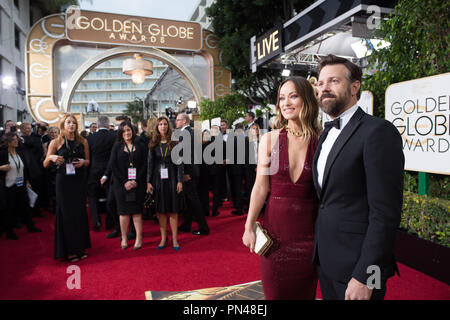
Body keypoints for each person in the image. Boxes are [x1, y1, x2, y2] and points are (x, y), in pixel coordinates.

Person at [312, 54, 404, 300]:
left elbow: (385, 213)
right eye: (321, 83)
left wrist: (367, 275)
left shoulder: (378, 132)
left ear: (355, 87)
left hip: (359, 268)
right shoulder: (325, 134)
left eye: (334, 81)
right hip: (327, 260)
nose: (325, 89)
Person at [242, 76, 321, 300]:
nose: (285, 103)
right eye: (282, 98)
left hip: (310, 237)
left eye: (293, 96)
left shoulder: (322, 140)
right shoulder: (270, 139)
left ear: (307, 100)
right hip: (275, 237)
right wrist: (249, 226)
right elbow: (260, 187)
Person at [43, 114, 91, 262]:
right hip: (63, 182)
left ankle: (80, 248)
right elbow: (45, 164)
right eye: (68, 122)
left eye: (74, 123)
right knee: (66, 215)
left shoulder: (83, 141)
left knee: (79, 213)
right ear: (63, 125)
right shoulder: (55, 142)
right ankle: (69, 250)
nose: (71, 125)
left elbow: (89, 161)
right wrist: (51, 158)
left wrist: (83, 162)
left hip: (78, 180)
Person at [147, 116, 183, 250]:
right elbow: (149, 164)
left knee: (173, 210)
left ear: (168, 126)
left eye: (165, 124)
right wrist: (148, 182)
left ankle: (174, 239)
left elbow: (179, 163)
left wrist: (180, 180)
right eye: (160, 124)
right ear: (157, 127)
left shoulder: (174, 142)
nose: (163, 126)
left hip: (172, 178)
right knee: (160, 211)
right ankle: (163, 238)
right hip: (157, 180)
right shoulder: (153, 143)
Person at [110, 121, 147, 250]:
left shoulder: (141, 144)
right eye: (124, 131)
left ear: (133, 131)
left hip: (138, 183)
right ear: (120, 132)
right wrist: (125, 181)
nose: (127, 133)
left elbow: (145, 164)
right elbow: (113, 166)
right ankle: (124, 237)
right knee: (123, 213)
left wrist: (136, 180)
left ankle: (138, 237)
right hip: (121, 185)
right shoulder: (117, 146)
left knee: (137, 212)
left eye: (129, 130)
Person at [0, 132, 42, 240]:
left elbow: (23, 168)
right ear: (8, 142)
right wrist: (1, 168)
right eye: (13, 139)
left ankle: (30, 226)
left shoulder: (19, 153)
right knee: (10, 209)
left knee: (25, 205)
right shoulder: (3, 154)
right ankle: (9, 231)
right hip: (8, 185)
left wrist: (27, 180)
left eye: (16, 139)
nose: (16, 141)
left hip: (20, 183)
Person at [176, 113, 210, 236]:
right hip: (195, 170)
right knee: (190, 200)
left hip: (189, 172)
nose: (176, 122)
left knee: (193, 200)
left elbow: (185, 155)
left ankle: (203, 227)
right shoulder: (193, 133)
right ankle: (186, 224)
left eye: (178, 120)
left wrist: (185, 173)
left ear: (184, 121)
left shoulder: (184, 134)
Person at [87, 116, 116, 231]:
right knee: (110, 197)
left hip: (93, 170)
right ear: (108, 124)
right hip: (110, 171)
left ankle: (96, 221)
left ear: (98, 125)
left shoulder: (90, 138)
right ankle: (109, 222)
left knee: (93, 197)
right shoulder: (113, 137)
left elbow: (88, 156)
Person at [43, 126, 60, 214]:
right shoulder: (46, 144)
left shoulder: (62, 143)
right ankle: (54, 207)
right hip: (50, 169)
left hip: (60, 168)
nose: (53, 134)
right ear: (49, 134)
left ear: (58, 134)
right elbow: (46, 157)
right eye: (51, 132)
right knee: (53, 189)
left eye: (55, 132)